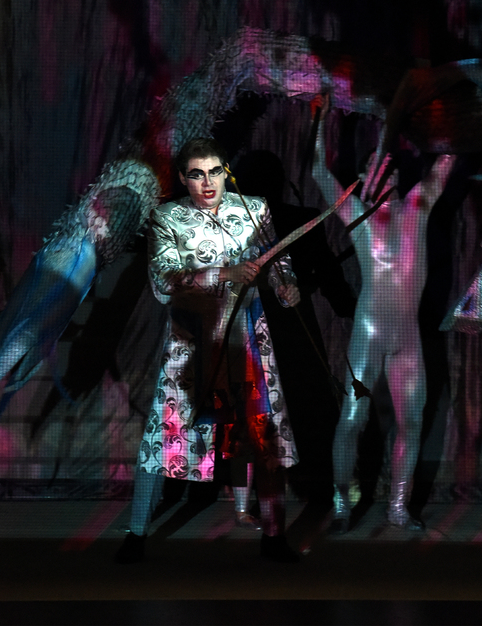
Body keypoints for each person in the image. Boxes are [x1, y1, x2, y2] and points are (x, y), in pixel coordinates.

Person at [116, 138, 302, 563]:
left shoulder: (254, 209)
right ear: (184, 178)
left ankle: (275, 538)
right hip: (193, 344)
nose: (207, 182)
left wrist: (285, 286)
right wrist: (224, 273)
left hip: (247, 340)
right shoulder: (168, 217)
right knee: (164, 437)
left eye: (215, 171)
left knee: (264, 435)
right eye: (197, 174)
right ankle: (137, 534)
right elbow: (163, 282)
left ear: (226, 172)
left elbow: (277, 259)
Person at [310, 100, 453, 531]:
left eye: (390, 165)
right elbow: (318, 171)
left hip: (407, 337)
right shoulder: (358, 214)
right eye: (376, 164)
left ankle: (397, 507)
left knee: (412, 421)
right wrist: (322, 117)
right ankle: (340, 503)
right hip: (370, 334)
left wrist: (447, 112)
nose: (386, 169)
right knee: (353, 418)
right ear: (364, 177)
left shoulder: (417, 206)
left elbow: (447, 161)